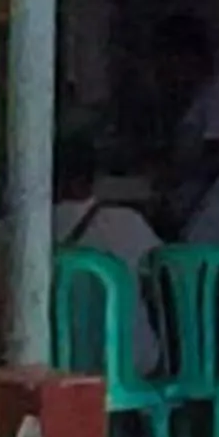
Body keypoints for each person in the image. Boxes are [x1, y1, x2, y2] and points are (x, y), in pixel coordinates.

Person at [54, 127, 166, 376]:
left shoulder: (16, 234)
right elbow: (161, 284)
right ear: (93, 177)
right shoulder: (128, 223)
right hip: (127, 362)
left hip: (55, 362)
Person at [159, 13, 219, 248]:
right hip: (195, 224)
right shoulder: (197, 99)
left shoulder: (217, 99)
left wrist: (181, 183)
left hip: (213, 226)